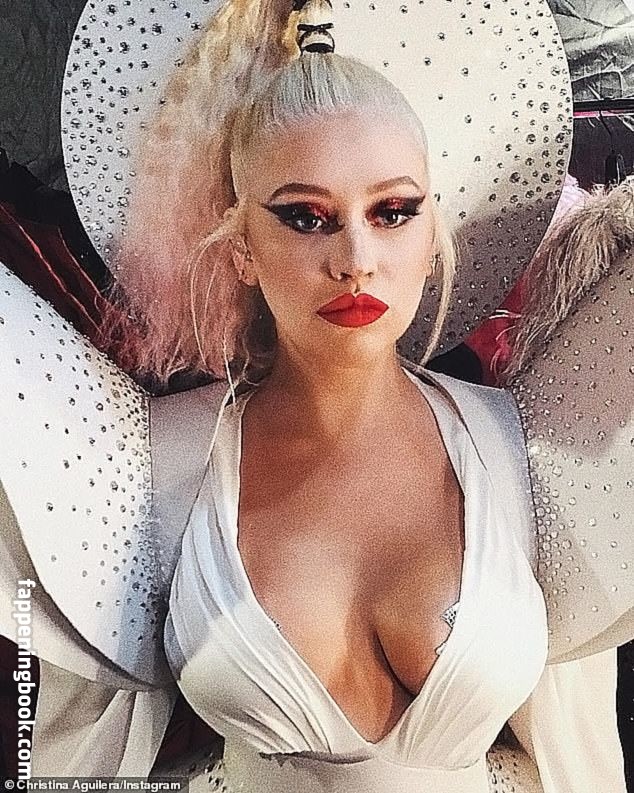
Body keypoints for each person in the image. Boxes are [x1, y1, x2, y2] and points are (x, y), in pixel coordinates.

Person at [0, 0, 632, 791]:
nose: (356, 258)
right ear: (241, 248)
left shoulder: (521, 451)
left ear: (431, 231)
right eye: (306, 217)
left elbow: (578, 753)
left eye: (392, 211)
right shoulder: (155, 467)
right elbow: (78, 756)